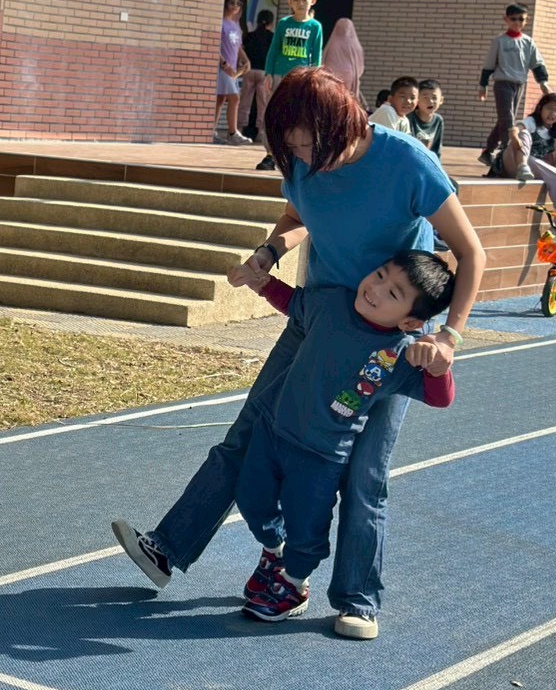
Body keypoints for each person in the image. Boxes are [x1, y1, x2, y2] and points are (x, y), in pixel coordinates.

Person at [111, 67, 485, 641]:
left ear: (342, 125)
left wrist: (448, 337)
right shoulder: (302, 164)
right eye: (292, 148)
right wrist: (267, 254)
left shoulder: (408, 163)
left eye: (309, 145)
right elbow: (296, 217)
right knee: (250, 431)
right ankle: (169, 547)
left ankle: (357, 598)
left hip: (389, 341)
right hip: (320, 317)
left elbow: (471, 253)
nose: (303, 158)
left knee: (364, 473)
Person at [233, 251, 456, 621]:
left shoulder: (401, 355)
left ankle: (293, 583)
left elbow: (440, 398)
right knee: (250, 498)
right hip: (274, 432)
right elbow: (293, 302)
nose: (376, 288)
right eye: (380, 274)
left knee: (307, 528)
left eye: (393, 293)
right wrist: (261, 283)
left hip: (321, 457)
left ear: (410, 321)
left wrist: (437, 366)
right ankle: (275, 550)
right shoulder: (332, 305)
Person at [256, 0, 323, 171]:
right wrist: (269, 73)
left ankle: (294, 155)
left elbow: (316, 56)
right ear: (289, 2)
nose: (300, 4)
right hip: (279, 77)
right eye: (296, 0)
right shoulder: (284, 24)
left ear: (313, 1)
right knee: (273, 114)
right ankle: (270, 154)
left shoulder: (315, 27)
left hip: (301, 80)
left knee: (298, 117)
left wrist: (314, 78)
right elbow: (274, 50)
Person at [477, 3, 553, 167]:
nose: (517, 22)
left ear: (526, 20)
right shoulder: (499, 41)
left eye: (521, 19)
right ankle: (507, 152)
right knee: (508, 119)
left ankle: (488, 151)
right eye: (513, 19)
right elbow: (489, 64)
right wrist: (483, 85)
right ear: (506, 19)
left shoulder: (528, 42)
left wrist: (543, 83)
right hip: (502, 84)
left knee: (504, 120)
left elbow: (537, 64)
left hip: (519, 85)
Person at [493, 90, 556, 185]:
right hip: (511, 162)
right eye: (549, 108)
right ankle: (522, 166)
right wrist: (515, 137)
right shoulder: (532, 122)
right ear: (540, 108)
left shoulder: (555, 134)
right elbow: (516, 129)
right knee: (524, 133)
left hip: (531, 168)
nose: (553, 113)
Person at [215, 0, 251, 145]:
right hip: (223, 68)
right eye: (232, 3)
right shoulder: (220, 23)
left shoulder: (235, 25)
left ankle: (211, 130)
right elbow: (214, 45)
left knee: (221, 99)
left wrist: (245, 60)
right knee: (234, 98)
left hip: (233, 70)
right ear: (225, 4)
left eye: (238, 4)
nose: (235, 6)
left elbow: (238, 47)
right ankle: (232, 132)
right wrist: (224, 64)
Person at [240, 9, 274, 139]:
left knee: (245, 102)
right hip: (264, 73)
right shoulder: (272, 37)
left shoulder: (249, 36)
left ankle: (239, 128)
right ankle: (261, 131)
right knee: (262, 104)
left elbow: (243, 51)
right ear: (271, 23)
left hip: (249, 71)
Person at [320, 17, 365, 106]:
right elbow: (360, 67)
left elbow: (324, 60)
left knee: (332, 99)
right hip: (349, 76)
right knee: (346, 100)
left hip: (331, 76)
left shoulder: (332, 43)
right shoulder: (355, 45)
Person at [409, 80, 447, 160]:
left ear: (441, 100)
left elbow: (437, 148)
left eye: (434, 98)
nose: (430, 101)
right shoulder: (409, 118)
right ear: (417, 100)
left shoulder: (438, 120)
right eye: (425, 98)